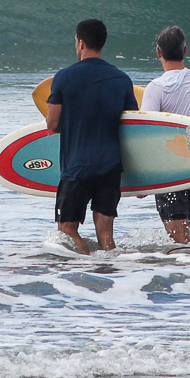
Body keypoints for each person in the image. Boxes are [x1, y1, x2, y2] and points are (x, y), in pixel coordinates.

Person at [45, 19, 138, 255]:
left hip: (77, 166)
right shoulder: (122, 79)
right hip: (110, 166)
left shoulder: (64, 77)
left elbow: (52, 124)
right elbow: (133, 127)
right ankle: (109, 273)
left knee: (67, 230)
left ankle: (85, 274)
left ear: (81, 43)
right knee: (106, 234)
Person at [140, 25, 190, 243]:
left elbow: (145, 135)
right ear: (185, 50)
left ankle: (187, 270)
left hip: (171, 168)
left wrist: (143, 179)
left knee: (177, 234)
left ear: (158, 53)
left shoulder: (156, 88)